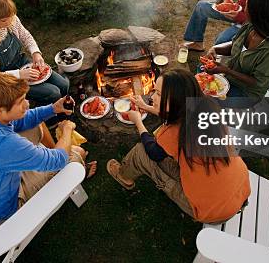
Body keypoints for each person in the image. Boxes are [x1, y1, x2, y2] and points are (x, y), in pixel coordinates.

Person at [107, 69, 251, 224]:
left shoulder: (173, 133)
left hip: (213, 212)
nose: (152, 97)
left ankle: (123, 176)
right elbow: (176, 112)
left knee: (140, 152)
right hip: (240, 189)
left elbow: (154, 152)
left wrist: (138, 122)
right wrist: (146, 107)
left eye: (158, 94)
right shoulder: (209, 106)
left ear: (176, 100)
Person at [0, 72, 96, 220]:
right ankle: (77, 166)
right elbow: (59, 159)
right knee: (77, 154)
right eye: (20, 102)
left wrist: (53, 109)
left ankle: (49, 154)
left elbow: (22, 120)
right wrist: (67, 130)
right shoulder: (6, 143)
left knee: (35, 125)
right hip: (5, 207)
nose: (27, 104)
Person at [0, 0, 69, 106]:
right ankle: (47, 118)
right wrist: (19, 74)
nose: (10, 22)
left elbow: (25, 35)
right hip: (3, 81)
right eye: (4, 20)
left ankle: (64, 108)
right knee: (53, 93)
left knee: (63, 85)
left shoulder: (9, 16)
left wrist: (35, 53)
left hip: (21, 63)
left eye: (11, 17)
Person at [205, 0, 269, 102]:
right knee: (199, 77)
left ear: (256, 13)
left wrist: (227, 70)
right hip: (229, 79)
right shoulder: (251, 26)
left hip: (246, 93)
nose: (244, 10)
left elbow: (257, 82)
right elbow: (235, 45)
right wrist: (215, 49)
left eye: (247, 6)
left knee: (204, 100)